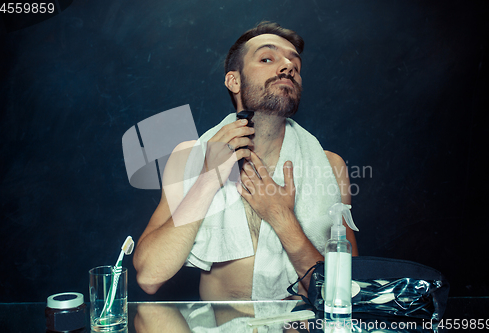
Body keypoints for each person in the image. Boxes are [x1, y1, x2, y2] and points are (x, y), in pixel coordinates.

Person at [133, 21, 358, 301]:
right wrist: (206, 180)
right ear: (233, 81)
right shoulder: (190, 157)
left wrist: (281, 218)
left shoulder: (331, 167)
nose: (287, 66)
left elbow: (349, 291)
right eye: (267, 58)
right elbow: (149, 276)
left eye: (295, 65)